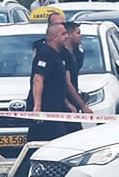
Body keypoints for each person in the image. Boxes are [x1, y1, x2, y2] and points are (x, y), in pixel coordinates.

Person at [29, 14, 82, 144]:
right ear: (54, 37)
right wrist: (37, 107)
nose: (67, 36)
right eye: (63, 34)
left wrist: (66, 103)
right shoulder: (45, 54)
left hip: (55, 107)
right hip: (45, 110)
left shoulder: (59, 55)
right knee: (60, 141)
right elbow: (38, 80)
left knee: (37, 143)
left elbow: (58, 84)